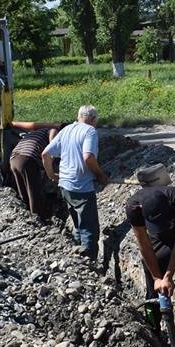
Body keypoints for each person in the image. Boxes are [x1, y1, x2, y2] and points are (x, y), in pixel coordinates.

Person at [42, 105, 109, 260]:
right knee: (89, 228)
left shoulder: (66, 130)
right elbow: (88, 157)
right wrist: (99, 175)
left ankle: (77, 256)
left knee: (77, 222)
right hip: (81, 187)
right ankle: (89, 262)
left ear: (78, 116)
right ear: (93, 119)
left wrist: (52, 175)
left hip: (65, 185)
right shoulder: (89, 131)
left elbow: (45, 154)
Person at [125, 163, 175, 305]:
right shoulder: (133, 207)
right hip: (159, 238)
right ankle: (154, 322)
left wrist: (169, 275)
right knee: (154, 273)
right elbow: (144, 244)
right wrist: (157, 278)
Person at [9, 122, 63, 222]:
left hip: (13, 159)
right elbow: (52, 148)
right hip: (27, 159)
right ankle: (38, 221)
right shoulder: (54, 130)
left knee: (24, 194)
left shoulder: (37, 132)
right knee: (34, 194)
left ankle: (27, 220)